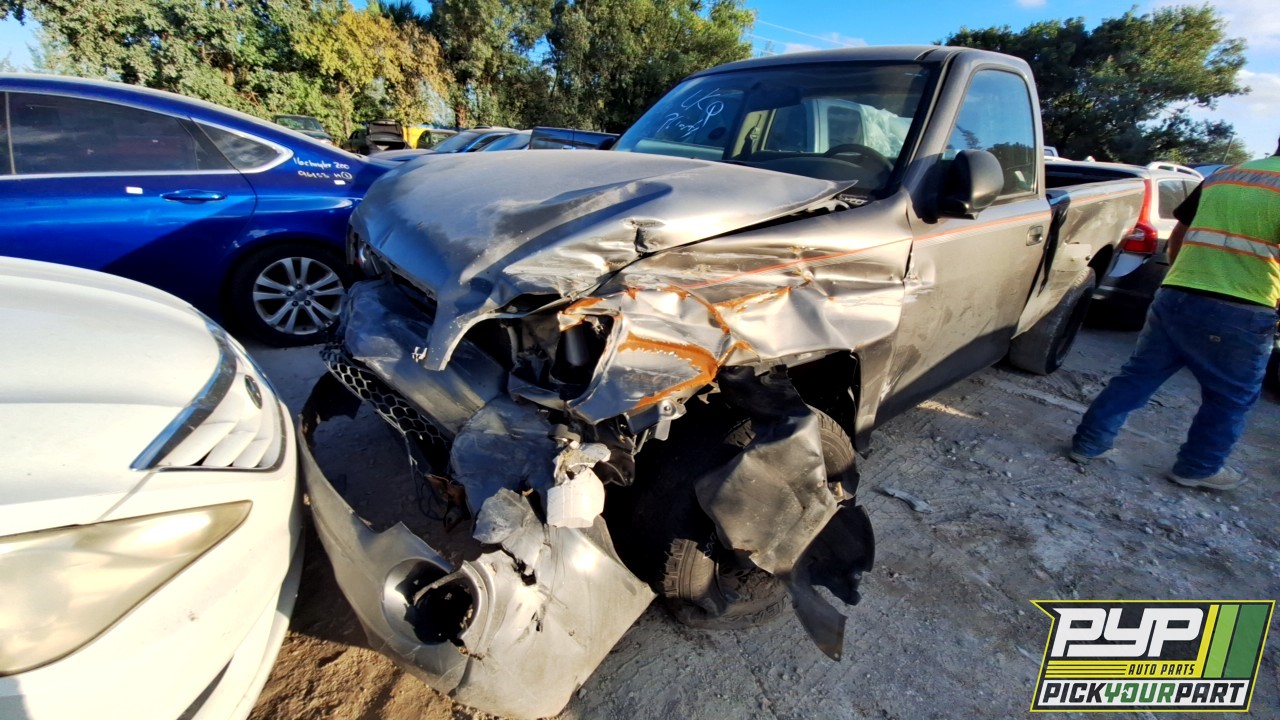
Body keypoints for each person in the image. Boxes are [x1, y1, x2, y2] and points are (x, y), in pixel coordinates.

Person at [1069, 138, 1280, 490]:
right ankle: (1198, 467)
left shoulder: (1224, 175)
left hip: (1176, 293)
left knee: (1137, 376)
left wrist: (1177, 276)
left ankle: (1088, 444)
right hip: (1244, 305)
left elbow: (1180, 231)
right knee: (1231, 397)